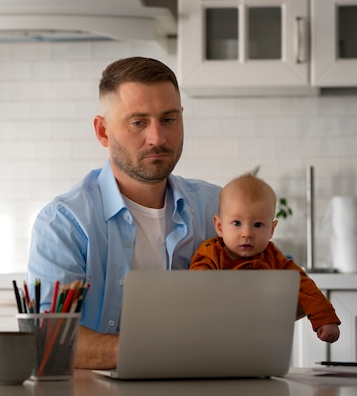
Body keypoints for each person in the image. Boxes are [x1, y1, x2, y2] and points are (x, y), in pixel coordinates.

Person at [27, 57, 221, 369]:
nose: (157, 138)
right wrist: (164, 352)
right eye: (138, 122)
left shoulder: (217, 209)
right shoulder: (63, 223)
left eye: (169, 120)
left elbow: (270, 296)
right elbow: (49, 337)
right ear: (103, 132)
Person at [189, 173, 341, 343]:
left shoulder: (274, 257)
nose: (247, 234)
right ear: (219, 226)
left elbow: (304, 286)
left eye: (258, 225)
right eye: (237, 223)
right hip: (218, 336)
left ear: (272, 229)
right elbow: (197, 289)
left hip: (262, 338)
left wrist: (325, 318)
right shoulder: (211, 253)